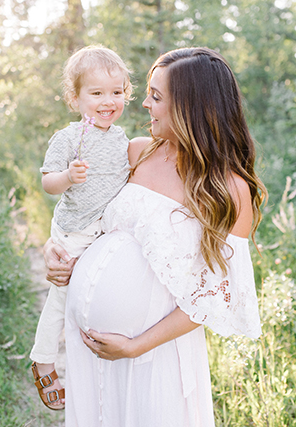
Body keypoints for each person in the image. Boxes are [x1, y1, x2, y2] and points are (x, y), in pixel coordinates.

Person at [43, 47, 267, 426]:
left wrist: (135, 346)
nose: (144, 104)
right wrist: (57, 250)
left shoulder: (229, 190)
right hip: (90, 352)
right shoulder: (137, 153)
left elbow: (212, 295)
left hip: (154, 357)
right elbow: (86, 214)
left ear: (191, 107)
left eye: (156, 96)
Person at [30, 45, 132, 410]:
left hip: (103, 233)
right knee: (61, 297)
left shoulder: (121, 139)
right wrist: (68, 177)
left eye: (117, 92)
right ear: (75, 99)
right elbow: (47, 183)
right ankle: (43, 358)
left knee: (91, 300)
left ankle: (92, 379)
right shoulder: (69, 137)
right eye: (97, 93)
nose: (109, 101)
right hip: (74, 231)